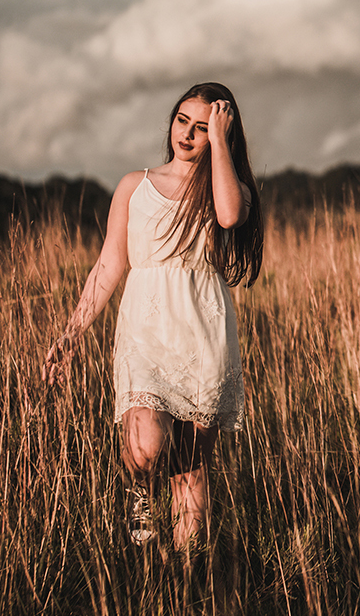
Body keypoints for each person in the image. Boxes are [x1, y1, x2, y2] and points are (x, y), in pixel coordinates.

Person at [42, 82, 263, 551]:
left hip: (203, 336)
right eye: (182, 121)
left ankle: (184, 574)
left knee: (190, 466)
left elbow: (229, 217)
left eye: (202, 127)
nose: (187, 134)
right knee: (146, 448)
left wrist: (219, 142)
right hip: (145, 331)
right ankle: (140, 491)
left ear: (220, 134)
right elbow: (108, 265)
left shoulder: (227, 189)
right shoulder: (134, 186)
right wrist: (72, 333)